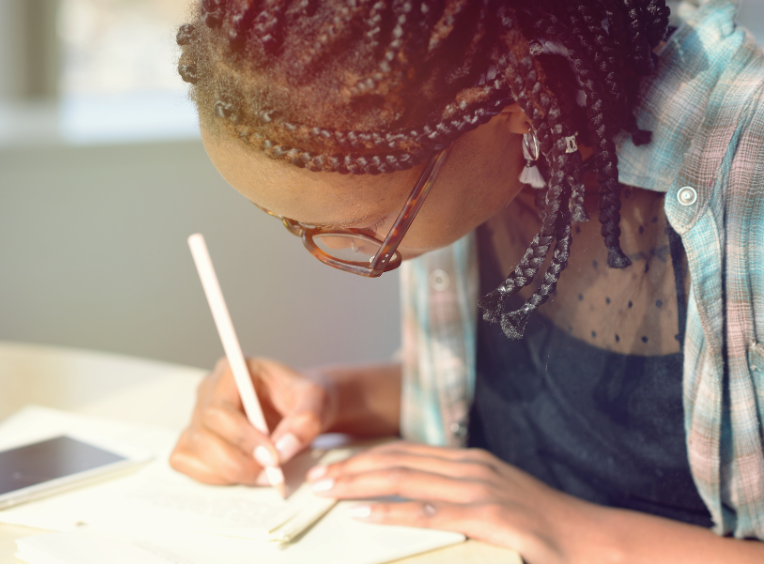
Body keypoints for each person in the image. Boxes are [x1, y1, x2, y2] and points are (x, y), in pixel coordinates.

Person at [168, 0, 764, 561]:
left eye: (365, 230)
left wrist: (569, 530)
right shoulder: (470, 141)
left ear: (512, 104)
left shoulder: (747, 165)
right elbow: (527, 395)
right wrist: (329, 399)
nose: (331, 249)